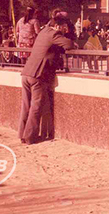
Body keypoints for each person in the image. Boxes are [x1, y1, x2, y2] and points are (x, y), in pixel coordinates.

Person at [19, 15, 75, 145]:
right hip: (37, 75)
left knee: (25, 105)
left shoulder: (43, 31)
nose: (63, 30)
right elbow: (69, 44)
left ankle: (22, 134)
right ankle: (29, 137)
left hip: (26, 72)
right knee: (36, 106)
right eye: (63, 27)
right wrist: (65, 35)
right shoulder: (54, 34)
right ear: (57, 26)